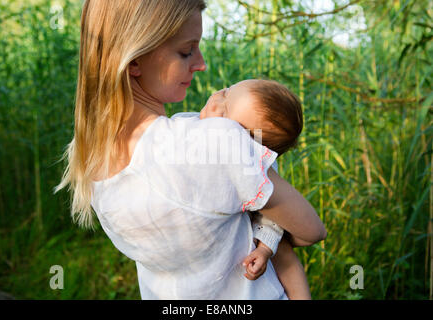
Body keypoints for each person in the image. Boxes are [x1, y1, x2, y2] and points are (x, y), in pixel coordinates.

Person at [55, 0, 326, 299]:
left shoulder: (94, 169)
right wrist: (269, 238)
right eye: (186, 51)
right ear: (133, 61)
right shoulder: (217, 139)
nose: (201, 63)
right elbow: (311, 230)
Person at [172, 79, 312, 299]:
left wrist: (265, 248)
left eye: (225, 108)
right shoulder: (187, 123)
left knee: (284, 255)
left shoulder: (252, 168)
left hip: (243, 238)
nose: (217, 96)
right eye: (227, 90)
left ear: (246, 146)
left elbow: (272, 219)